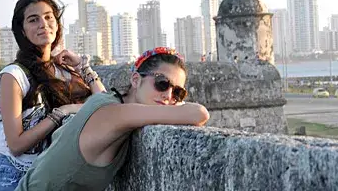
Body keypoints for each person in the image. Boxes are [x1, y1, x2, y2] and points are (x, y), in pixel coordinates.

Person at [15, 47, 210, 191]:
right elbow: (200, 113)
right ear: (135, 80)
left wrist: (85, 70)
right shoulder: (116, 114)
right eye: (161, 83)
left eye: (178, 92)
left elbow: (101, 94)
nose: (168, 95)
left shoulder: (106, 101)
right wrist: (179, 106)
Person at [0, 0, 106, 191]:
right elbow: (16, 144)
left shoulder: (63, 71)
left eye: (49, 17)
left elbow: (104, 106)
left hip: (48, 177)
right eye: (33, 19)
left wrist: (83, 67)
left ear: (57, 24)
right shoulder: (13, 76)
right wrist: (62, 112)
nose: (43, 23)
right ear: (22, 30)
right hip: (10, 177)